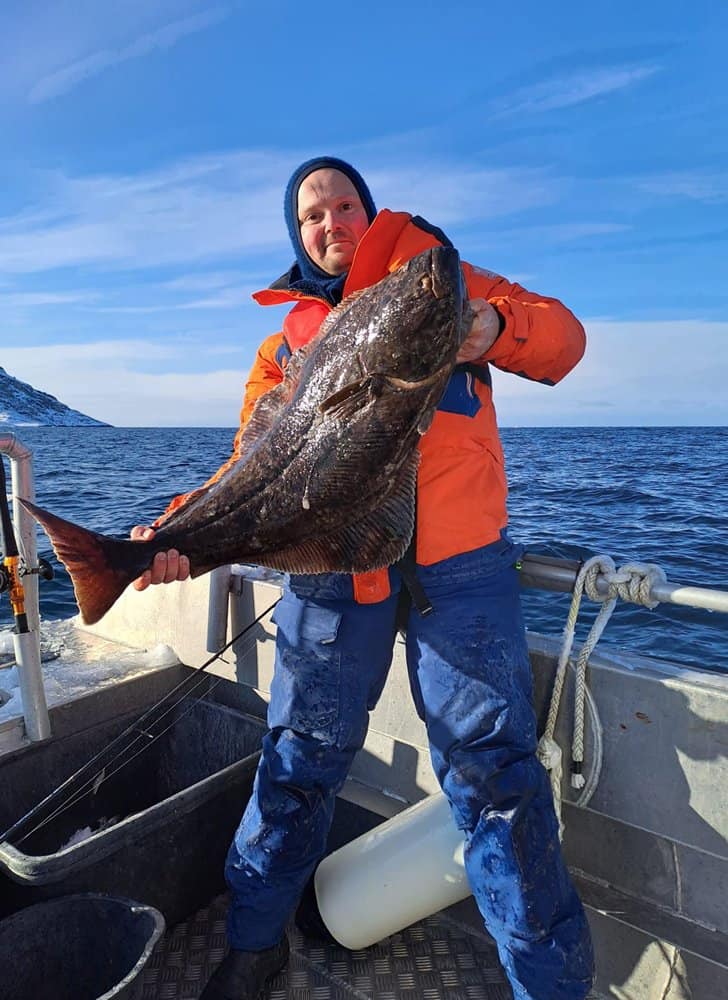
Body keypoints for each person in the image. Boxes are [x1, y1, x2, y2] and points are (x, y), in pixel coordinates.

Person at [132, 156, 595, 1000]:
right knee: (298, 760)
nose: (330, 222)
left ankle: (548, 986)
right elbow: (248, 468)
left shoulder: (443, 279)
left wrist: (494, 326)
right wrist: (169, 534)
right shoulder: (280, 346)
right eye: (312, 214)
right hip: (335, 580)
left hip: (461, 572)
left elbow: (562, 336)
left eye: (345, 204)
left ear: (368, 212)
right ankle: (253, 941)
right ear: (296, 233)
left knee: (495, 775)